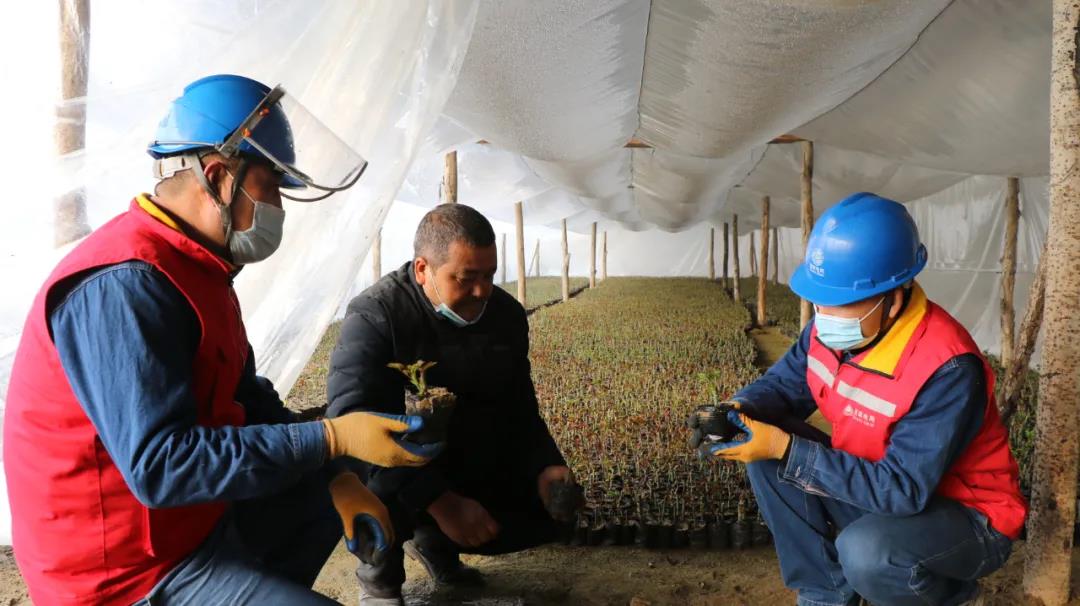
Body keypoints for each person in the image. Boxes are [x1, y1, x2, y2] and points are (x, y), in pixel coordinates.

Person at [4, 74, 440, 606]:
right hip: (123, 574)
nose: (279, 206)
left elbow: (246, 398)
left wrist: (336, 476)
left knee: (314, 486)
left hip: (185, 527)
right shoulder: (126, 283)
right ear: (217, 176)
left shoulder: (199, 268)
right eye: (271, 185)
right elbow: (161, 466)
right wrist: (330, 437)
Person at [689, 192, 1027, 606]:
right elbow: (783, 386)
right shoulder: (828, 331)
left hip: (966, 516)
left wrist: (786, 447)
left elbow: (903, 489)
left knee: (868, 552)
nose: (825, 314)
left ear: (894, 297)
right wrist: (736, 410)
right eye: (821, 299)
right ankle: (825, 592)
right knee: (766, 454)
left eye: (843, 302)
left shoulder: (947, 367)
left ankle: (948, 595)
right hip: (876, 487)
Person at [327, 203, 573, 605]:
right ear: (423, 269)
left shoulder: (505, 316)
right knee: (369, 474)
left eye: (489, 275)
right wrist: (441, 503)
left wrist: (546, 465)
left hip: (460, 453)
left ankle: (434, 544)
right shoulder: (376, 316)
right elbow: (353, 424)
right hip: (398, 465)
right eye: (466, 277)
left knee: (548, 511)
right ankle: (380, 581)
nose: (482, 291)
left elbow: (518, 405)